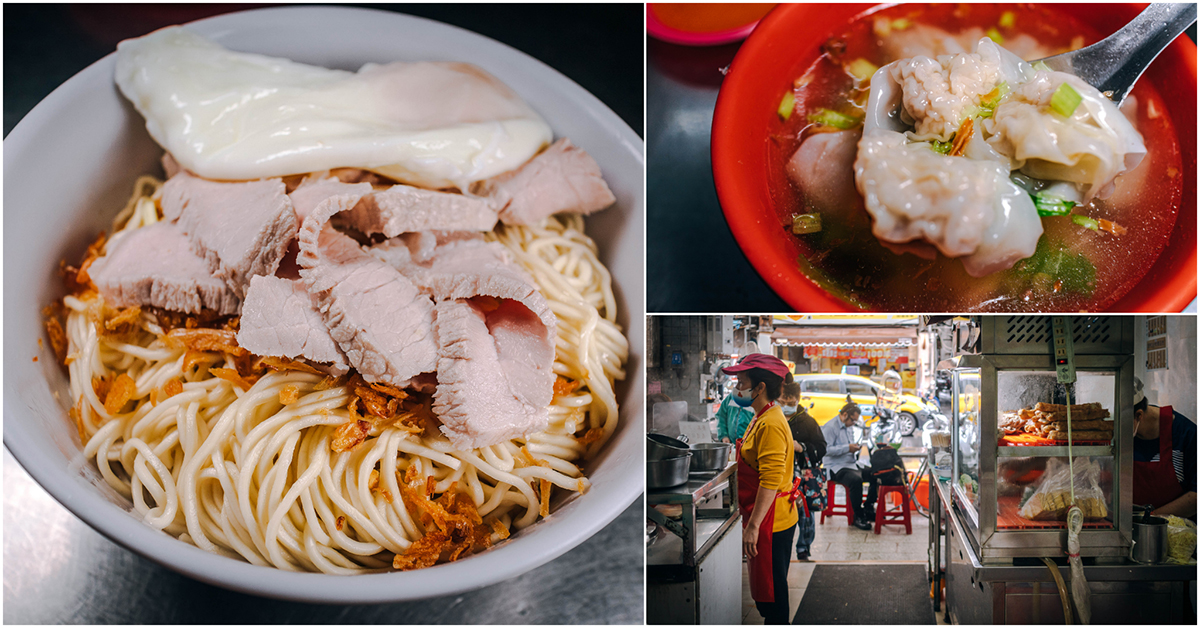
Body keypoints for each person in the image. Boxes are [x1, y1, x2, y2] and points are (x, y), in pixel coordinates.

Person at [722, 353, 798, 625]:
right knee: (767, 591)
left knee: (773, 592)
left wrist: (753, 526)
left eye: (741, 382)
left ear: (760, 387)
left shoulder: (772, 423)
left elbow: (770, 479)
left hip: (772, 522)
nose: (737, 388)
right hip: (763, 516)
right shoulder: (760, 416)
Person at [1132, 378, 1197, 518]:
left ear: (1138, 415)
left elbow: (1196, 495)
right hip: (1129, 529)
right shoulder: (1124, 439)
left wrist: (1149, 518)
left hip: (1178, 532)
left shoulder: (1187, 435)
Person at [781, 381, 826, 560]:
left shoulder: (808, 422)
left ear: (798, 401)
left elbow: (822, 447)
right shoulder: (773, 417)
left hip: (801, 475)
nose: (786, 406)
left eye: (791, 403)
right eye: (783, 402)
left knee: (805, 512)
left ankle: (803, 548)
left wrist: (802, 447)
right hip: (779, 474)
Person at [821, 401, 873, 530]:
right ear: (845, 415)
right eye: (853, 420)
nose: (853, 423)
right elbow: (825, 450)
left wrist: (855, 447)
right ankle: (857, 516)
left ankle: (868, 507)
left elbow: (849, 445)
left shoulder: (849, 427)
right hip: (835, 467)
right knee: (856, 480)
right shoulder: (831, 427)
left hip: (851, 464)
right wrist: (847, 448)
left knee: (874, 473)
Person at [864, 431, 907, 523]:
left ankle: (868, 507)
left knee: (871, 476)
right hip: (896, 478)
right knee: (872, 477)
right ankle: (869, 507)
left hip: (888, 478)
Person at [716, 361, 755, 444]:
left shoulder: (757, 403)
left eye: (741, 382)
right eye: (738, 380)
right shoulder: (731, 397)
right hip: (732, 445)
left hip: (748, 446)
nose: (737, 387)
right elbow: (721, 415)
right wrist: (724, 435)